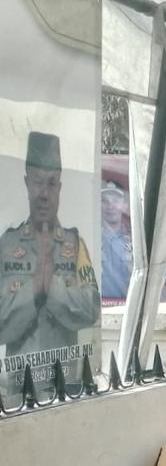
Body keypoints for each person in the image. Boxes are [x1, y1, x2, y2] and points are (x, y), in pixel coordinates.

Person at [0, 131, 100, 391]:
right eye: (37, 182)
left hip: (66, 387)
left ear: (60, 188)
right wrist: (32, 291)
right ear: (26, 183)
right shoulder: (6, 247)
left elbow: (92, 308)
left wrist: (52, 288)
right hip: (19, 393)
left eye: (52, 183)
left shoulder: (74, 245)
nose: (44, 193)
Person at [100, 181, 132, 303]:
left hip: (129, 310)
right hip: (99, 311)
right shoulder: (90, 239)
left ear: (125, 206)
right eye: (105, 201)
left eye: (116, 201)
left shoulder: (136, 241)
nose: (110, 206)